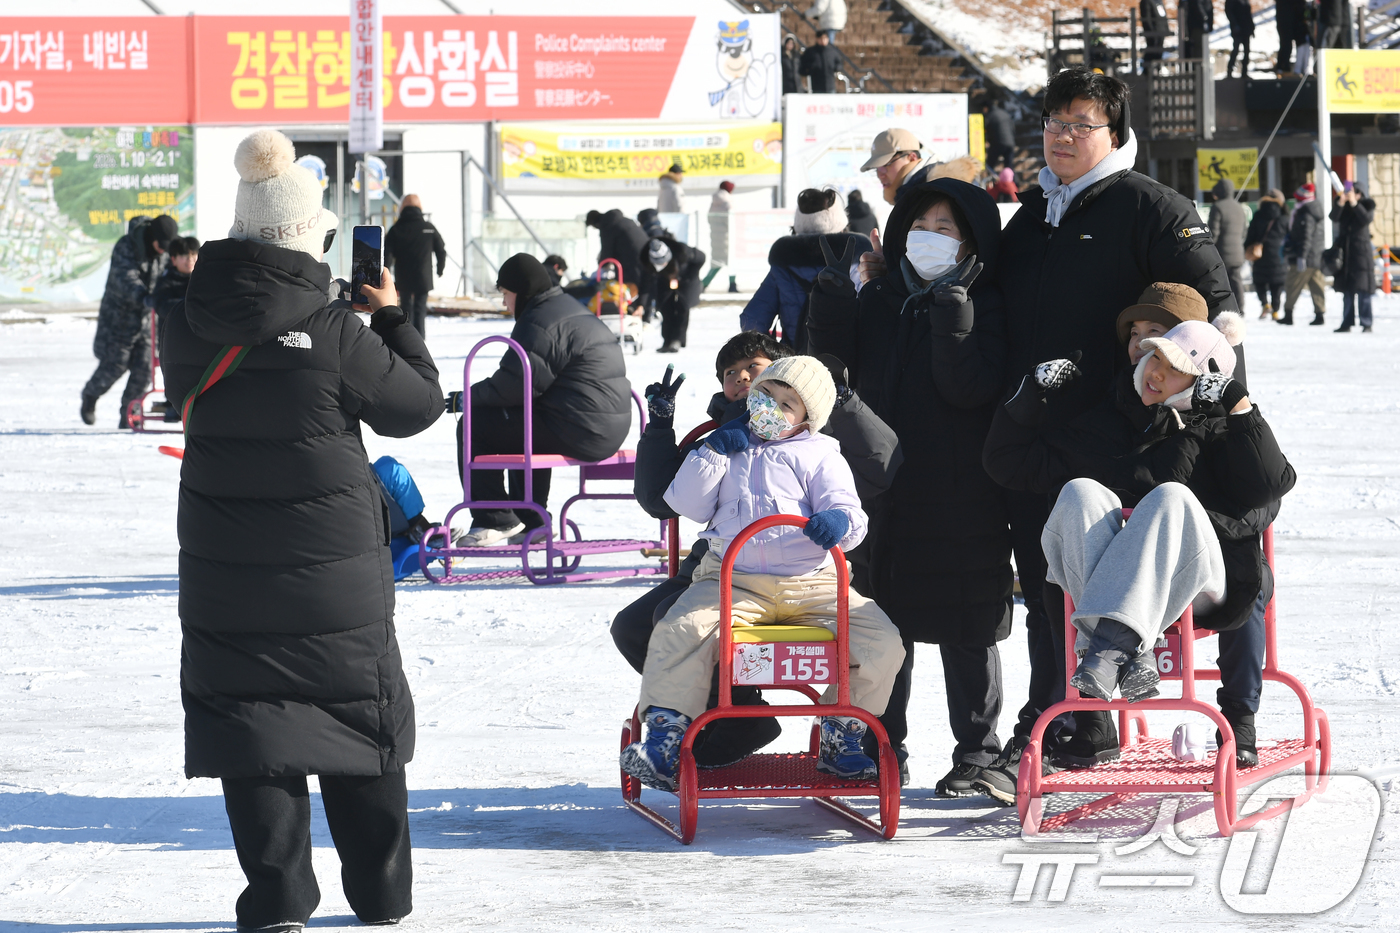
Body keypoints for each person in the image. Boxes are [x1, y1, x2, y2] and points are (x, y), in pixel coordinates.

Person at [161, 129, 442, 931]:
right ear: (305, 235)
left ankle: (278, 898)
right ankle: (382, 896)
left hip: (224, 565)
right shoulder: (333, 330)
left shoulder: (189, 322)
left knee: (251, 727)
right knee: (357, 716)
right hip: (334, 574)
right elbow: (417, 406)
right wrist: (389, 320)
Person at [957, 67, 1236, 802]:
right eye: (1053, 123)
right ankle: (1074, 723)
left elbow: (1216, 314)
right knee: (1043, 584)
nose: (1063, 137)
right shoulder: (1033, 216)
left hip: (1114, 439)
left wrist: (1200, 405)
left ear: (1114, 133)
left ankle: (1063, 719)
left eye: (1081, 124)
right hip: (1032, 432)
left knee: (1071, 586)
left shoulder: (1152, 207)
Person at [983, 311, 1293, 771]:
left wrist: (1240, 407)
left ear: (1204, 379)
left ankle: (1113, 651)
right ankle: (1128, 645)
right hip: (1124, 587)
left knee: (1169, 500)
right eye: (1150, 354)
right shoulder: (1111, 421)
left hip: (1206, 583)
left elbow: (1270, 487)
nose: (1153, 370)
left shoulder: (1224, 428)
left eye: (1172, 365)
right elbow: (1009, 464)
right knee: (1079, 492)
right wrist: (1031, 394)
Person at [808, 178, 1013, 797]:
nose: (930, 238)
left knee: (968, 623)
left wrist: (954, 317)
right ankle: (881, 742)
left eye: (946, 229)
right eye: (921, 226)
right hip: (882, 489)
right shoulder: (883, 298)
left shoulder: (990, 301)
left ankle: (978, 750)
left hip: (964, 490)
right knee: (883, 624)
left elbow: (972, 390)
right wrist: (833, 300)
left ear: (970, 240)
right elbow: (832, 371)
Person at [619, 356, 907, 791]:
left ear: (808, 419)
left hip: (813, 584)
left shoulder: (819, 453)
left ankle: (842, 733)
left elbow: (849, 508)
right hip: (733, 581)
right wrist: (713, 452)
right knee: (682, 628)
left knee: (882, 642)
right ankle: (665, 738)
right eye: (767, 394)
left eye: (788, 403)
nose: (773, 406)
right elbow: (685, 504)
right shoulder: (726, 444)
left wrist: (840, 522)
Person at [454, 254, 632, 545]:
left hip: (583, 427)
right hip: (607, 425)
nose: (504, 303)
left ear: (521, 292)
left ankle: (494, 518)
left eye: (505, 294)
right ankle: (532, 522)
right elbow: (524, 388)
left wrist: (464, 399)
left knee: (474, 425)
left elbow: (512, 387)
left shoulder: (539, 321)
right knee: (522, 422)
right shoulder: (566, 307)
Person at [80, 213, 178, 428]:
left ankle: (128, 416)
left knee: (144, 369)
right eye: (160, 244)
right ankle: (90, 395)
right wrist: (143, 295)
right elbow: (125, 276)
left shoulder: (165, 251)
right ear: (151, 236)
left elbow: (170, 274)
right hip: (119, 318)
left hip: (147, 321)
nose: (163, 249)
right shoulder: (126, 245)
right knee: (115, 365)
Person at [739, 188, 870, 348]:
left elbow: (753, 318)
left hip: (798, 362)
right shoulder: (860, 261)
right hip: (850, 360)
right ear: (841, 224)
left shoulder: (783, 263)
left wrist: (773, 354)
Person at [384, 193, 446, 338]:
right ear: (420, 208)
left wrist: (385, 275)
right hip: (423, 277)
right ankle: (420, 339)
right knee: (420, 308)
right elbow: (441, 250)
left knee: (405, 308)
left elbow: (387, 254)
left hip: (403, 277)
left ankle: (407, 338)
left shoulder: (396, 229)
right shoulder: (428, 228)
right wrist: (440, 269)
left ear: (402, 209)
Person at [646, 235, 706, 353]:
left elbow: (701, 258)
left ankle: (677, 340)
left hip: (686, 281)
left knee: (682, 309)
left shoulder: (684, 252)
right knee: (666, 309)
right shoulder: (650, 261)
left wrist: (689, 276)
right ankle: (667, 341)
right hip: (665, 282)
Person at [1331, 185, 1378, 333]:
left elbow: (1365, 219)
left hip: (1361, 254)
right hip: (1346, 252)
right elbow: (1333, 217)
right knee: (1347, 291)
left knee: (1363, 290)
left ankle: (1366, 322)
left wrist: (1354, 204)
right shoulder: (1343, 206)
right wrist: (1340, 202)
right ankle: (1346, 322)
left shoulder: (1366, 205)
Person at [1282, 182, 1327, 326]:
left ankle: (1288, 314)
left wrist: (1301, 256)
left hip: (1305, 256)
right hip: (1315, 256)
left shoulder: (1306, 213)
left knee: (1292, 284)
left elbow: (1306, 237)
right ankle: (1320, 315)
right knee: (1316, 285)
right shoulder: (1313, 209)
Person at [1244, 188, 1289, 321]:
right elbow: (1290, 236)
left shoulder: (1258, 215)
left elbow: (1250, 234)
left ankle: (1265, 304)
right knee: (1277, 284)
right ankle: (1275, 310)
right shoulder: (1284, 216)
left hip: (1260, 254)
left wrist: (1248, 247)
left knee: (1260, 281)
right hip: (1279, 255)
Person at [1208, 177, 1248, 314]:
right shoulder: (1240, 208)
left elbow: (1214, 233)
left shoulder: (1217, 207)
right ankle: (1240, 309)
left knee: (1221, 283)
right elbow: (1244, 231)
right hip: (1237, 252)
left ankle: (1225, 309)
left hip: (1222, 253)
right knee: (1237, 281)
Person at [585, 209, 650, 292]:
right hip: (645, 255)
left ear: (596, 223)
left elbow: (606, 251)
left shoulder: (607, 226)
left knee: (628, 291)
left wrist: (602, 264)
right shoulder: (623, 220)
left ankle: (634, 304)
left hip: (632, 261)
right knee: (644, 286)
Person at [709, 180, 735, 292]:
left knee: (717, 262)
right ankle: (732, 285)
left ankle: (703, 284)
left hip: (715, 236)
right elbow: (731, 221)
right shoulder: (727, 202)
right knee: (732, 261)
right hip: (728, 236)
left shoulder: (713, 202)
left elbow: (709, 218)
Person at [983, 98, 1018, 171]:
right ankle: (1013, 182)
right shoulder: (1005, 113)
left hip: (997, 143)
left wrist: (987, 140)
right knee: (1009, 167)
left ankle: (990, 180)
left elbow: (987, 130)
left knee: (990, 164)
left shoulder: (990, 115)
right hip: (1010, 142)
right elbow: (1013, 128)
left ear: (986, 108)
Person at [1275, 0, 1308, 73]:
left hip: (1292, 22)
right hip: (1287, 22)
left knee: (1290, 45)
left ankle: (1286, 66)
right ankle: (1283, 66)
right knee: (1286, 45)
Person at [1225, 0, 1254, 78]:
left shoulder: (1245, 2)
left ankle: (1244, 72)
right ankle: (1230, 70)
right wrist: (1234, 25)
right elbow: (1229, 12)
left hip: (1246, 29)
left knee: (1247, 51)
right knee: (1236, 50)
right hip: (1237, 30)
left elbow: (1249, 15)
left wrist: (1252, 28)